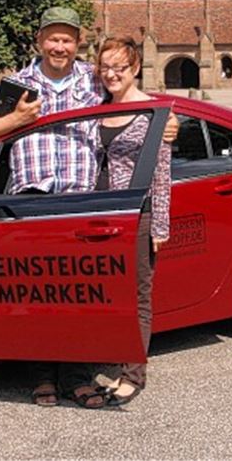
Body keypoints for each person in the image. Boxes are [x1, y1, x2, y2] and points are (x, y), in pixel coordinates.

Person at [0, 7, 177, 409]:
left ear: (77, 43)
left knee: (83, 295)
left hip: (83, 202)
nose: (59, 46)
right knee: (38, 294)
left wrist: (168, 122)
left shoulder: (91, 78)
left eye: (67, 39)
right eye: (53, 38)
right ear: (39, 40)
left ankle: (77, 377)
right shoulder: (17, 86)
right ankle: (43, 376)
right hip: (32, 201)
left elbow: (130, 95)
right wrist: (15, 118)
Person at [94, 36, 170, 407]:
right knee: (103, 293)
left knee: (136, 296)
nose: (111, 74)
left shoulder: (154, 113)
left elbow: (162, 173)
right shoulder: (96, 108)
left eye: (119, 67)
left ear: (135, 68)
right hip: (96, 216)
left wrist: (159, 226)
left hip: (134, 215)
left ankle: (132, 374)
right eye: (105, 67)